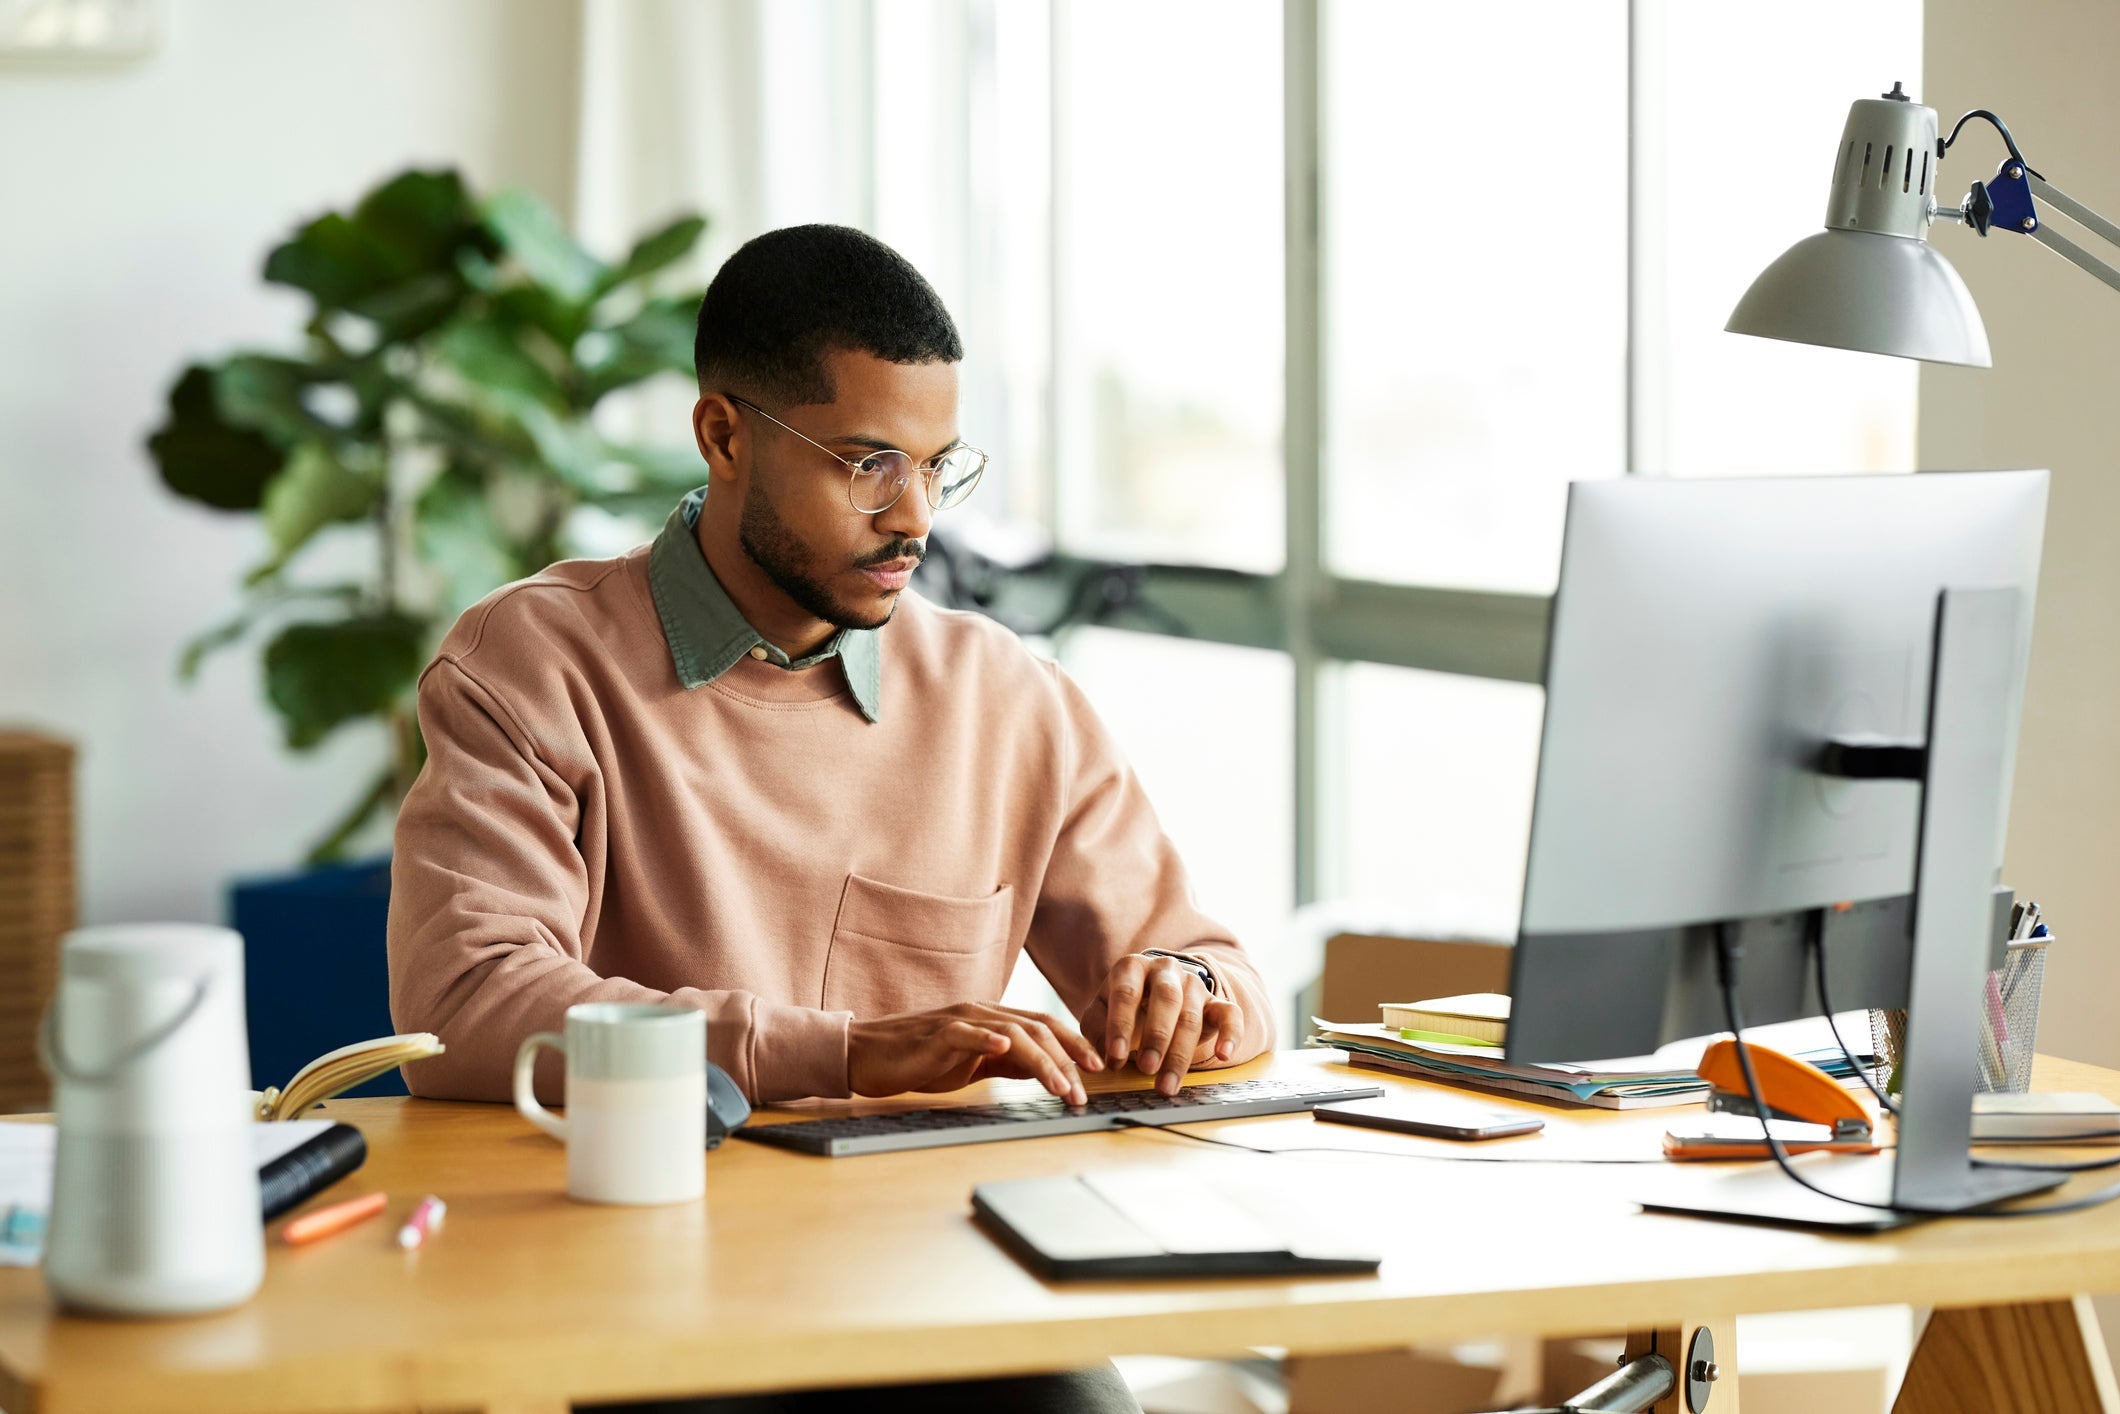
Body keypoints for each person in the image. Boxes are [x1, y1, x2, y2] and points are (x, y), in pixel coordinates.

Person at [386, 225, 1275, 1410]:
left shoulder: (1007, 698)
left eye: (937, 466)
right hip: (648, 1287)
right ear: (723, 436)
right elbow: (465, 998)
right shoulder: (533, 664)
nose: (915, 519)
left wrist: (1180, 994)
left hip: (946, 1282)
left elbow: (1217, 970)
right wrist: (846, 1052)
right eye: (867, 465)